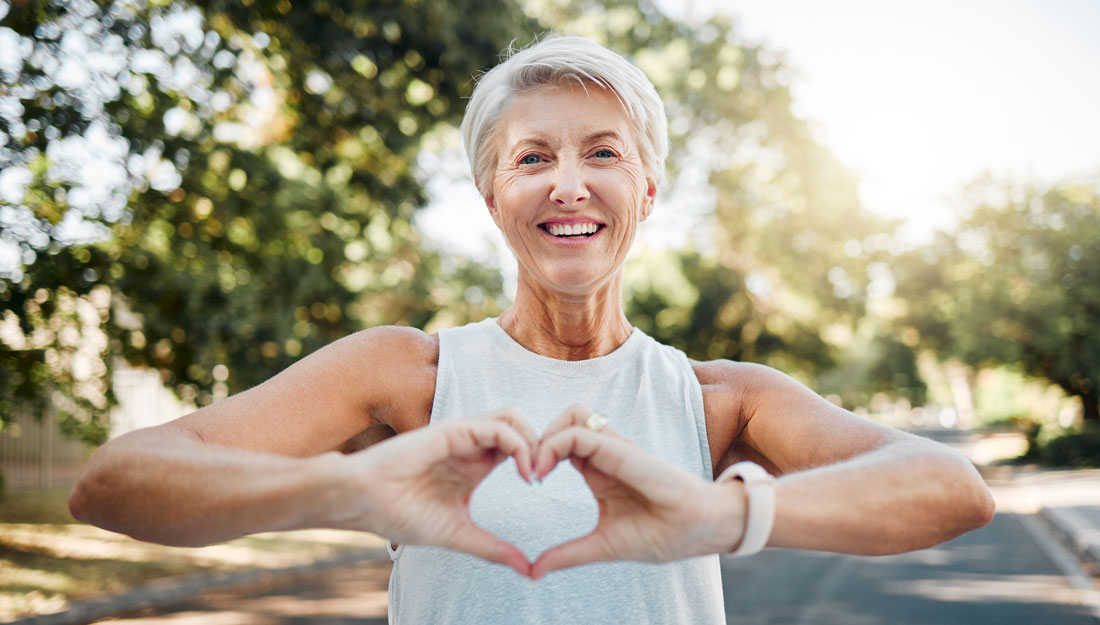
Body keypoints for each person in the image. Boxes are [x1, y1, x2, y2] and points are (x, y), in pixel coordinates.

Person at [68, 35, 995, 624]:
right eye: (533, 157)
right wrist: (349, 489)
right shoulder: (407, 376)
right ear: (492, 196)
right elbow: (113, 483)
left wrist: (722, 511)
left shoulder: (720, 400)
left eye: (603, 153)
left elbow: (951, 488)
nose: (568, 182)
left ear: (646, 190)